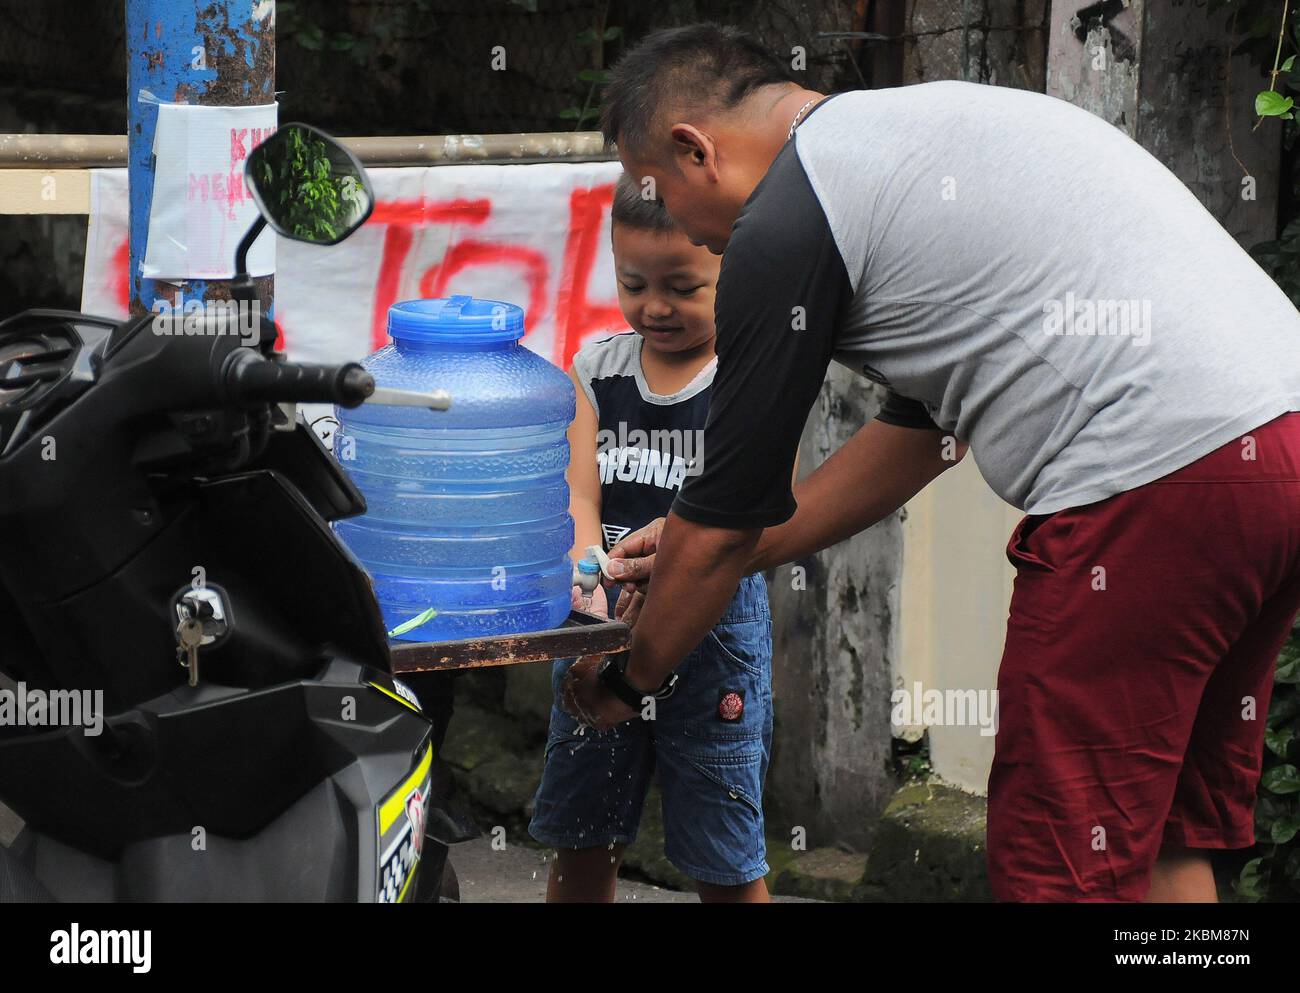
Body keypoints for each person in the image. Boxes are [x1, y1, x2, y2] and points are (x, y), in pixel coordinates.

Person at [562, 23, 1300, 903]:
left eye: (675, 207)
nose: (698, 239)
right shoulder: (899, 145)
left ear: (695, 150)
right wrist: (728, 546)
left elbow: (723, 518)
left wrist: (625, 677)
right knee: (1164, 834)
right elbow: (926, 435)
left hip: (1147, 480)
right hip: (1273, 451)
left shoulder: (787, 217)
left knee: (1061, 865)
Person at [528, 172, 778, 903]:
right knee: (582, 834)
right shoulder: (596, 370)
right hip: (602, 623)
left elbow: (767, 509)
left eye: (683, 285)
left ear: (733, 270)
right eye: (634, 283)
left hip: (714, 632)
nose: (655, 306)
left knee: (722, 852)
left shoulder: (751, 374)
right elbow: (579, 490)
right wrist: (588, 581)